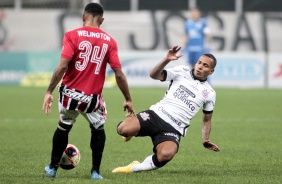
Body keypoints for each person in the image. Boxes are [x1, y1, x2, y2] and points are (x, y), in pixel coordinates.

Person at [42, 3, 135, 180]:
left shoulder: (71, 35)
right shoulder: (109, 41)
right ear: (102, 20)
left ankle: (52, 168)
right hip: (92, 99)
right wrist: (128, 99)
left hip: (69, 95)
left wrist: (49, 91)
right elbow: (119, 74)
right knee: (98, 129)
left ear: (83, 17)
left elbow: (62, 66)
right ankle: (95, 172)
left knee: (64, 126)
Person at [112, 46, 220, 173]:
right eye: (199, 63)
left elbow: (207, 120)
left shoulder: (210, 93)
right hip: (156, 115)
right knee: (122, 129)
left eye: (205, 65)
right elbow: (154, 75)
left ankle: (133, 168)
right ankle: (129, 133)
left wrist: (205, 139)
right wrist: (166, 59)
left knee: (165, 155)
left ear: (211, 71)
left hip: (174, 127)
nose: (200, 66)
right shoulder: (182, 71)